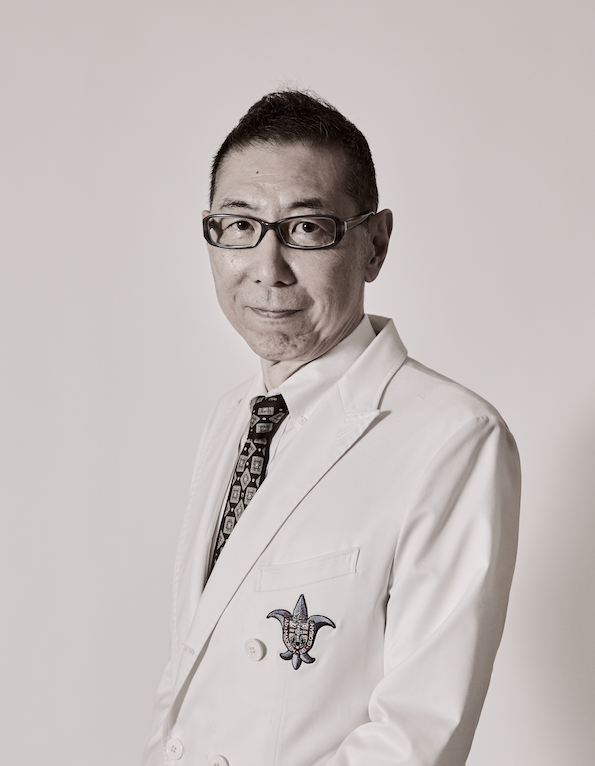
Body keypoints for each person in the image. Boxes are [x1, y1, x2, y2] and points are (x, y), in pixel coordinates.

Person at [142, 90, 521, 766]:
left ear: (374, 245)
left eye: (307, 228)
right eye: (240, 225)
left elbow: (415, 740)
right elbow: (190, 676)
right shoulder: (232, 418)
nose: (268, 268)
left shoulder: (454, 438)